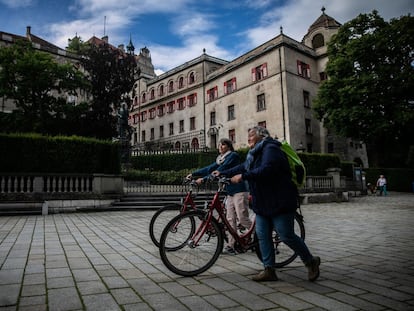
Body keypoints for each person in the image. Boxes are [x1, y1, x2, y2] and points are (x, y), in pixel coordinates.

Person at [213, 126, 320, 282]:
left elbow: (267, 169)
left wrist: (243, 177)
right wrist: (223, 172)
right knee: (263, 236)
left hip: (280, 200)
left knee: (286, 235)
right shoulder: (254, 153)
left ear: (261, 136)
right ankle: (269, 270)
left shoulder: (271, 148)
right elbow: (244, 166)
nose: (248, 138)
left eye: (251, 135)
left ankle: (311, 261)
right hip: (262, 201)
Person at [187, 138, 251, 255]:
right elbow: (210, 168)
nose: (220, 146)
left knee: (242, 218)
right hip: (229, 192)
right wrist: (194, 174)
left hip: (239, 190)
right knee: (230, 219)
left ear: (229, 146)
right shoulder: (220, 159)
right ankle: (231, 245)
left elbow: (221, 170)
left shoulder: (232, 156)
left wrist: (204, 179)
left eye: (223, 144)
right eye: (219, 144)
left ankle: (262, 236)